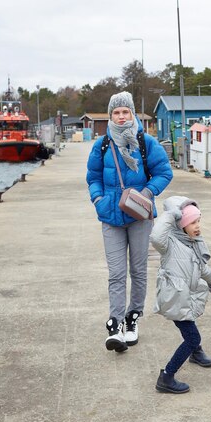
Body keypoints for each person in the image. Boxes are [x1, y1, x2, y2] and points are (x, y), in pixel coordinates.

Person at [86, 91, 173, 353]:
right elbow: (93, 177)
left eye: (126, 112)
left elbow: (163, 172)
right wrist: (98, 198)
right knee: (116, 273)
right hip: (111, 217)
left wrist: (147, 193)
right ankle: (115, 326)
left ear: (132, 114)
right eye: (116, 112)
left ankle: (132, 318)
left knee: (138, 270)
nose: (121, 116)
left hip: (139, 217)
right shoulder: (101, 145)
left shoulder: (146, 142)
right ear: (110, 115)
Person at [150, 195, 211, 394]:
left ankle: (195, 353)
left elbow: (202, 268)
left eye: (198, 221)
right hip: (174, 298)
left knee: (190, 326)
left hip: (185, 297)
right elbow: (156, 236)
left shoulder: (193, 243)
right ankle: (167, 376)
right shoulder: (169, 244)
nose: (197, 226)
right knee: (192, 337)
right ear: (180, 224)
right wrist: (170, 215)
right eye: (192, 222)